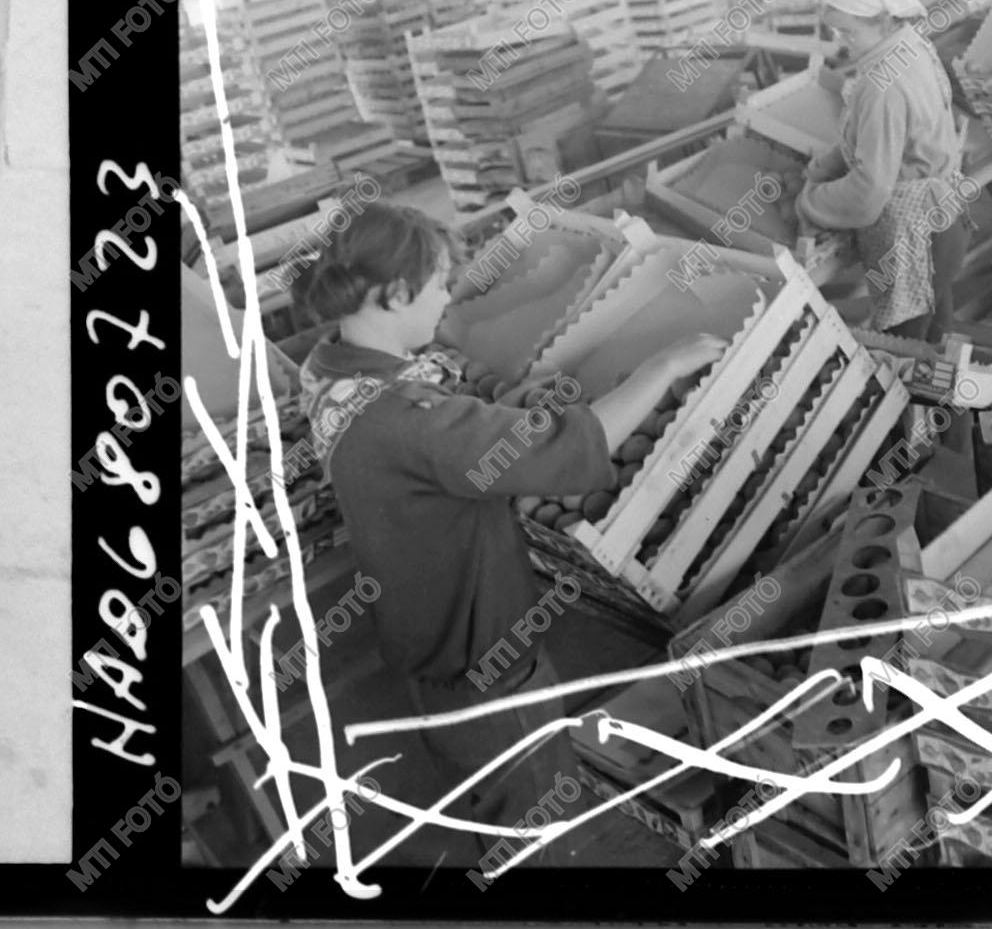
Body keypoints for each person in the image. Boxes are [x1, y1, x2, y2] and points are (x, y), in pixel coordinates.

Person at [294, 202, 725, 825]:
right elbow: (576, 446)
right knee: (531, 809)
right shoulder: (412, 420)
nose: (446, 299)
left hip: (419, 635)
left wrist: (509, 412)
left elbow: (454, 441)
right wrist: (663, 367)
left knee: (478, 789)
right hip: (482, 654)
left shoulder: (328, 370)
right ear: (391, 294)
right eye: (439, 283)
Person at [796, 0, 968, 342]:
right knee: (934, 347)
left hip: (911, 247)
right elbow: (885, 138)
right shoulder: (910, 46)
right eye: (835, 31)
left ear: (885, 21)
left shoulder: (881, 86)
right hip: (939, 225)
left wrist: (810, 202)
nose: (840, 42)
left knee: (902, 359)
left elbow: (869, 191)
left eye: (849, 32)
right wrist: (826, 166)